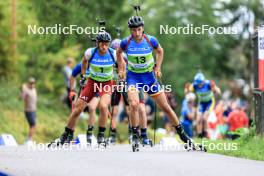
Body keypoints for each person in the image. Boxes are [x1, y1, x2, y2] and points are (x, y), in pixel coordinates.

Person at [117, 16, 195, 150]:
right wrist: (121, 68)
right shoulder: (126, 42)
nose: (137, 33)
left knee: (166, 107)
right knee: (134, 104)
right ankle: (135, 136)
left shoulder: (150, 40)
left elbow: (160, 51)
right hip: (133, 78)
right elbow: (118, 53)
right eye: (134, 30)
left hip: (149, 78)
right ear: (130, 30)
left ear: (143, 29)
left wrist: (158, 67)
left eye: (139, 29)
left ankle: (183, 136)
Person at [54, 32, 116, 146]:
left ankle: (101, 135)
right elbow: (82, 63)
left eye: (107, 44)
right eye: (102, 44)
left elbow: (122, 63)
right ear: (97, 43)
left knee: (103, 106)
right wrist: (83, 76)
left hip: (106, 84)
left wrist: (121, 72)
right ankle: (66, 134)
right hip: (92, 83)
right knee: (77, 109)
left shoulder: (113, 54)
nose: (104, 47)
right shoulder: (90, 53)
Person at [110, 39, 152, 145]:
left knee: (138, 109)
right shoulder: (109, 58)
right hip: (116, 85)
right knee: (114, 111)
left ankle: (139, 134)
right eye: (114, 50)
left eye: (117, 50)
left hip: (130, 83)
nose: (116, 53)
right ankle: (113, 135)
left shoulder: (126, 57)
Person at [69, 62, 100, 145]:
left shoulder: (98, 64)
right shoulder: (81, 65)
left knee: (92, 108)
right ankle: (70, 133)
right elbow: (72, 76)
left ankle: (90, 132)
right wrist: (72, 90)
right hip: (83, 91)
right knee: (77, 111)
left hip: (95, 90)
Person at [189, 72, 221, 138]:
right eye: (198, 84)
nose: (200, 85)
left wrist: (215, 88)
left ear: (203, 81)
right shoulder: (194, 85)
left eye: (201, 83)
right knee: (198, 119)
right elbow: (187, 91)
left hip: (210, 102)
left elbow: (218, 91)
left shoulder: (208, 84)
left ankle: (206, 134)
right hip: (201, 103)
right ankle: (199, 135)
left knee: (204, 118)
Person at [21, 77, 37, 144]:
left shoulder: (34, 89)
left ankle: (29, 139)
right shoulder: (26, 90)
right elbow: (22, 97)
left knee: (33, 125)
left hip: (34, 110)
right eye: (31, 83)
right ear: (28, 83)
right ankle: (29, 139)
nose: (32, 84)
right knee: (33, 124)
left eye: (33, 83)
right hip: (28, 110)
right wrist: (24, 88)